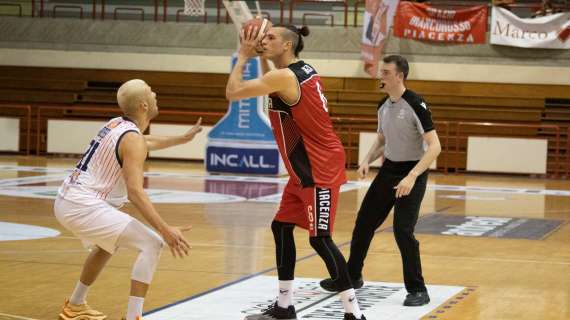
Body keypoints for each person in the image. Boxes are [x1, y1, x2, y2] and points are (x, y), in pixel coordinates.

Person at [226, 23, 366, 320]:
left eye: (271, 37)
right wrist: (260, 55)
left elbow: (233, 92)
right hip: (303, 168)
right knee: (281, 227)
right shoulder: (300, 70)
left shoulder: (282, 76)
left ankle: (354, 314)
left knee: (320, 238)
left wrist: (242, 55)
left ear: (287, 45)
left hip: (319, 167)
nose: (265, 40)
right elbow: (271, 79)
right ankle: (284, 306)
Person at [54, 79, 202, 320]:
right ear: (144, 105)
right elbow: (135, 192)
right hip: (83, 206)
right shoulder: (132, 139)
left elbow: (146, 142)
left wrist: (182, 139)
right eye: (151, 92)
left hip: (68, 200)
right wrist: (164, 229)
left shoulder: (117, 124)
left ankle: (75, 305)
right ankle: (134, 316)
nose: (155, 94)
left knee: (106, 246)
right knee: (152, 243)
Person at [319, 55, 441, 307]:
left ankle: (418, 289)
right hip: (389, 171)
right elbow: (382, 140)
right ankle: (352, 276)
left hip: (412, 173)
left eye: (385, 72)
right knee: (363, 224)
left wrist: (412, 176)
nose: (380, 77)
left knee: (402, 231)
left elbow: (435, 147)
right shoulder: (383, 106)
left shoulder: (416, 104)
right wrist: (366, 160)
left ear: (399, 76)